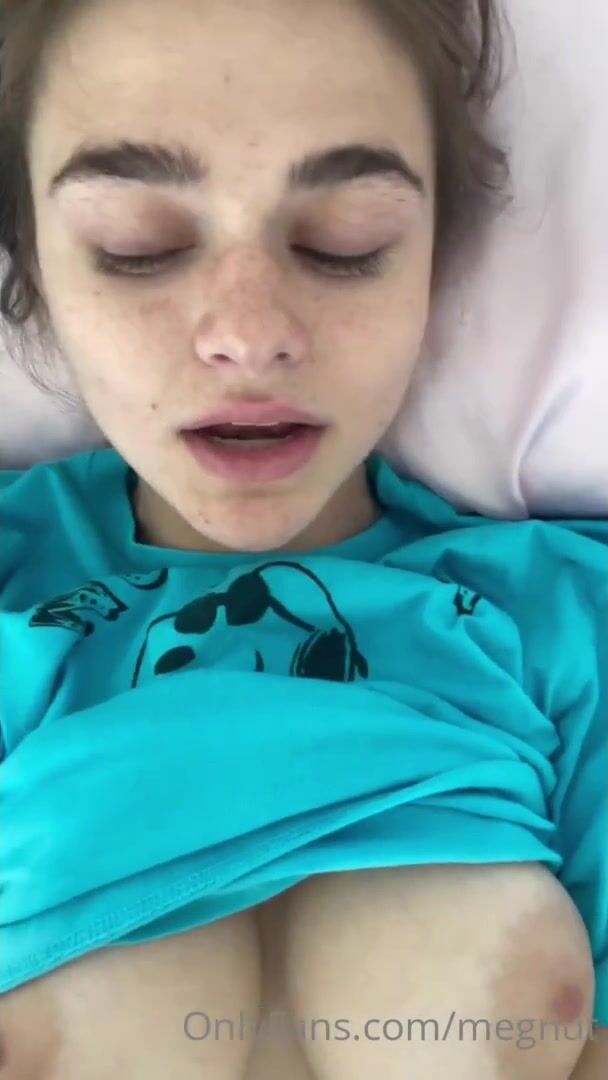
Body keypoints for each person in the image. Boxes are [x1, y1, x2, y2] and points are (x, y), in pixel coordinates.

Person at [0, 0, 606, 1077]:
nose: (249, 335)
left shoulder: (566, 618)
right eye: (137, 247)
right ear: (34, 267)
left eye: (345, 244)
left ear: (434, 263)